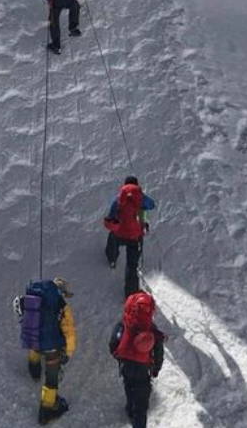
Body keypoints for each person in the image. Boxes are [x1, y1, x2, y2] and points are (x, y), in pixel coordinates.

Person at [15, 277, 77, 424]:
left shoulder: (36, 296)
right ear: (62, 292)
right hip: (51, 346)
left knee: (36, 345)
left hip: (34, 339)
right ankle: (46, 410)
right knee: (51, 379)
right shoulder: (60, 304)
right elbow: (69, 330)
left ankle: (34, 369)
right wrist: (68, 353)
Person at [109, 291, 165, 428]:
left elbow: (113, 344)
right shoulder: (151, 328)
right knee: (141, 404)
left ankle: (129, 410)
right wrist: (156, 369)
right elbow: (158, 352)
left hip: (125, 365)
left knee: (128, 386)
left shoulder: (123, 324)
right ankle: (138, 421)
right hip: (143, 369)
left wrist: (118, 356)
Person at [103, 177, 156, 297]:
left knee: (112, 238)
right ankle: (131, 293)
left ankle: (112, 258)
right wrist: (141, 198)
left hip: (119, 233)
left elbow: (112, 215)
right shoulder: (141, 199)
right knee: (132, 265)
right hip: (135, 236)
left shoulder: (118, 199)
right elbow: (152, 205)